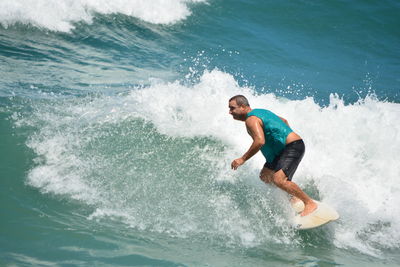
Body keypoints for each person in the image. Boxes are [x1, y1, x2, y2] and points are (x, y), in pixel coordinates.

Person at [228, 95, 317, 216]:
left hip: (291, 147)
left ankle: (309, 203)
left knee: (278, 180)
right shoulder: (260, 112)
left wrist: (242, 159)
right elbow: (284, 121)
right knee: (265, 176)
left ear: (243, 107)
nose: (230, 112)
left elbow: (259, 141)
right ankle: (293, 197)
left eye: (232, 108)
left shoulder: (251, 120)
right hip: (281, 152)